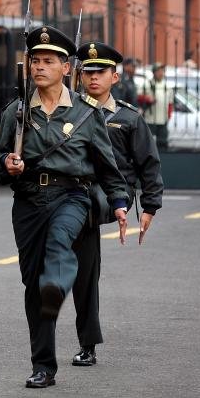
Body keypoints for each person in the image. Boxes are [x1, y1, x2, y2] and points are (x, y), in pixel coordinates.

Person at [0, 25, 128, 388]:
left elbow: (107, 167)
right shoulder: (17, 113)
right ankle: (43, 366)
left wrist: (118, 204)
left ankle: (57, 280)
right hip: (28, 203)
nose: (39, 66)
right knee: (33, 288)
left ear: (66, 67)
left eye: (48, 61)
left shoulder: (86, 113)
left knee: (59, 243)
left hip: (72, 196)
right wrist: (8, 163)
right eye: (35, 60)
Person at [72, 42, 163, 367]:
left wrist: (150, 206)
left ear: (114, 75)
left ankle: (87, 343)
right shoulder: (71, 111)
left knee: (84, 272)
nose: (93, 78)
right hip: (72, 191)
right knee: (73, 271)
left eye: (100, 73)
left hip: (108, 196)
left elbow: (148, 164)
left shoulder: (128, 118)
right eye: (88, 72)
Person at [140, 63, 173, 151]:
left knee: (162, 143)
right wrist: (147, 99)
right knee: (148, 144)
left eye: (162, 71)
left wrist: (168, 115)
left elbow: (170, 103)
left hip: (163, 120)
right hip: (150, 119)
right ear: (154, 72)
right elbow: (138, 98)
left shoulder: (167, 86)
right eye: (158, 71)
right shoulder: (147, 84)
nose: (161, 73)